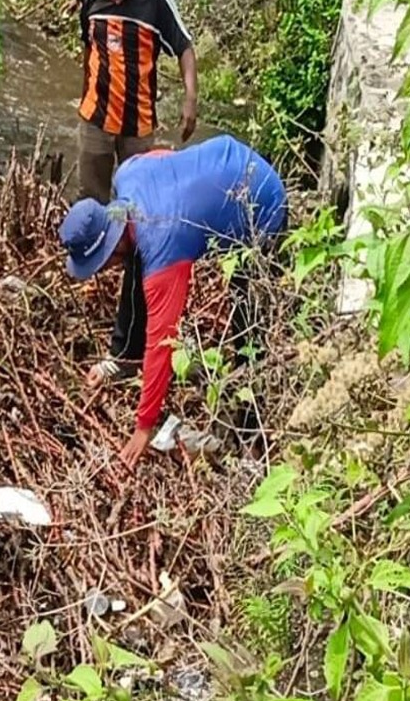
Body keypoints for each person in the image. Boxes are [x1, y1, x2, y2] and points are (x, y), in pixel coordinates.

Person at [58, 135, 288, 468]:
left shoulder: (164, 243)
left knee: (248, 322)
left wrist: (144, 426)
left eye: (102, 262)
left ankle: (253, 436)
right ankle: (124, 356)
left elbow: (162, 340)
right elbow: (165, 159)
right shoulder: (127, 175)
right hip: (227, 159)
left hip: (261, 204)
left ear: (109, 246)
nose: (104, 269)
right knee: (137, 251)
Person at [75, 0, 196, 204]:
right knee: (90, 201)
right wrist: (85, 90)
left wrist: (190, 99)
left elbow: (184, 47)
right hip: (95, 117)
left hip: (137, 126)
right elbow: (89, 43)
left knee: (137, 205)